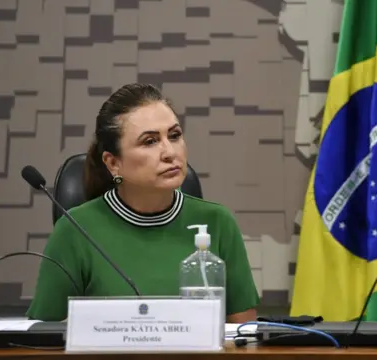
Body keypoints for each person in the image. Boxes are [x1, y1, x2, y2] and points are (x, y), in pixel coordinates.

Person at [26, 83, 260, 323]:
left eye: (175, 135)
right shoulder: (74, 230)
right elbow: (40, 341)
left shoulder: (218, 223)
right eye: (150, 141)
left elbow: (244, 337)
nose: (169, 152)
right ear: (113, 163)